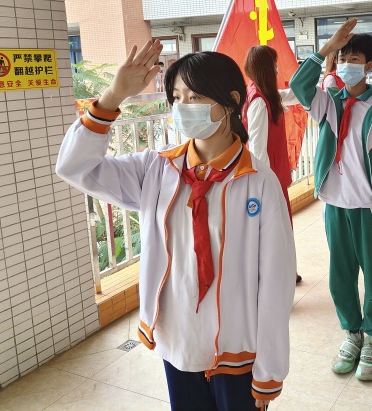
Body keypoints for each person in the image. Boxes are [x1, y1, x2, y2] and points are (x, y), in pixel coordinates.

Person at [56, 41, 296, 411]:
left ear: (231, 101)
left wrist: (269, 371)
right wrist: (113, 96)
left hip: (238, 349)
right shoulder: (156, 170)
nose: (183, 107)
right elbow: (74, 167)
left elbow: (277, 283)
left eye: (195, 96)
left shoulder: (259, 183)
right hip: (179, 342)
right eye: (177, 97)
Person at [289, 19, 372, 382]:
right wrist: (326, 49)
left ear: (370, 66)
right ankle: (352, 334)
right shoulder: (329, 103)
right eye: (342, 59)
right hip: (336, 204)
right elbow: (298, 85)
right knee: (340, 276)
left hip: (370, 208)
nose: (346, 64)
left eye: (354, 59)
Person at [242, 45, 302, 284]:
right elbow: (257, 148)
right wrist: (265, 184)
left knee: (281, 227)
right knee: (275, 229)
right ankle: (278, 278)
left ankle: (286, 273)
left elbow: (292, 95)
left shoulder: (264, 93)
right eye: (274, 64)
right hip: (268, 179)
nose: (278, 68)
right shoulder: (258, 100)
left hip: (274, 176)